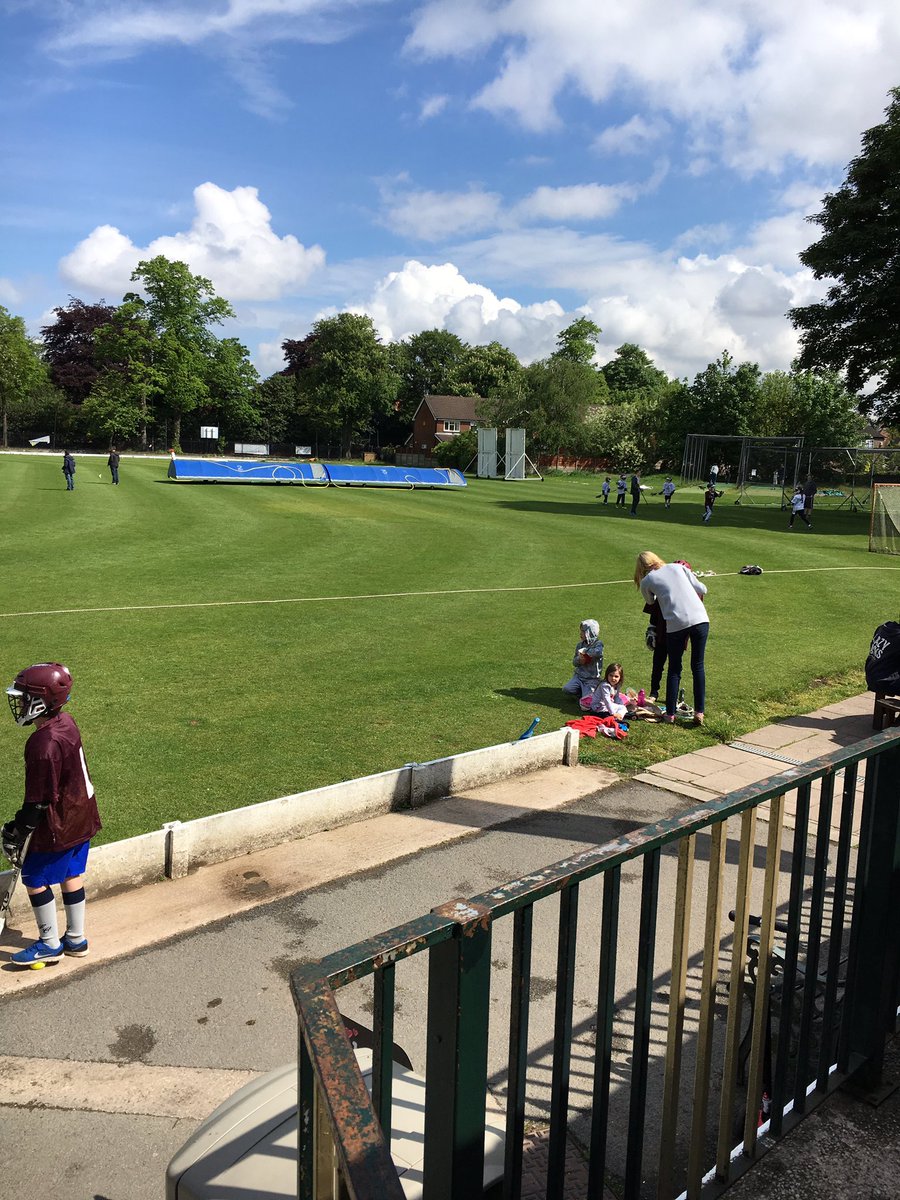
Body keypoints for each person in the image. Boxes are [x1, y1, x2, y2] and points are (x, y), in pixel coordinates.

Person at [1, 663, 102, 966]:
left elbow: (39, 801)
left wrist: (16, 830)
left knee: (34, 877)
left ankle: (48, 944)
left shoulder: (42, 744)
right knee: (71, 874)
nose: (18, 704)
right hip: (82, 815)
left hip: (59, 823)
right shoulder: (67, 722)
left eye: (23, 698)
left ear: (40, 701)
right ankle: (75, 939)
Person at [635, 552, 709, 725]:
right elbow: (702, 589)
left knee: (675, 668)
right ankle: (699, 712)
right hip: (700, 619)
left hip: (676, 624)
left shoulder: (647, 581)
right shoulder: (679, 567)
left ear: (642, 567)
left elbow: (651, 602)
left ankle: (670, 714)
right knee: (698, 665)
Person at [562, 620, 604, 702]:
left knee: (588, 700)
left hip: (592, 679)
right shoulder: (579, 645)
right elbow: (574, 662)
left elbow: (598, 652)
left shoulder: (598, 644)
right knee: (566, 689)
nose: (580, 634)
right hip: (579, 677)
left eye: (583, 632)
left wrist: (586, 653)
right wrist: (579, 660)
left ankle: (594, 690)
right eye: (580, 631)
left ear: (590, 632)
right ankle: (580, 691)